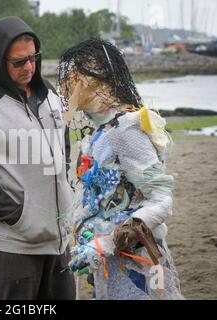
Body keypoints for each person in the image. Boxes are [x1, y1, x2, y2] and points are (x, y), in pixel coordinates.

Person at [0, 16, 76, 300]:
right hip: (14, 244)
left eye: (34, 58)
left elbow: (64, 145)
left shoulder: (48, 92)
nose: (29, 67)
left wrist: (68, 189)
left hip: (60, 238)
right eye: (19, 62)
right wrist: (19, 217)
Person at [57, 39, 184, 300]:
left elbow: (162, 201)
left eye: (75, 76)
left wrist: (105, 244)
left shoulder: (125, 129)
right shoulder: (102, 132)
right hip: (110, 266)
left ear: (99, 78)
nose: (66, 85)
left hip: (137, 264)